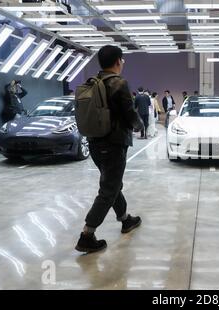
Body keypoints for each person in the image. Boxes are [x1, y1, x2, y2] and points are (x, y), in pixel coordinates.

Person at [75, 45, 144, 253]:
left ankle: (125, 219)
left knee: (113, 184)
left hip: (95, 143)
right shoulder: (117, 83)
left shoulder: (91, 83)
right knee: (108, 190)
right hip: (113, 144)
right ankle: (87, 234)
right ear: (117, 61)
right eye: (122, 61)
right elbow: (129, 113)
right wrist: (140, 125)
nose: (122, 64)